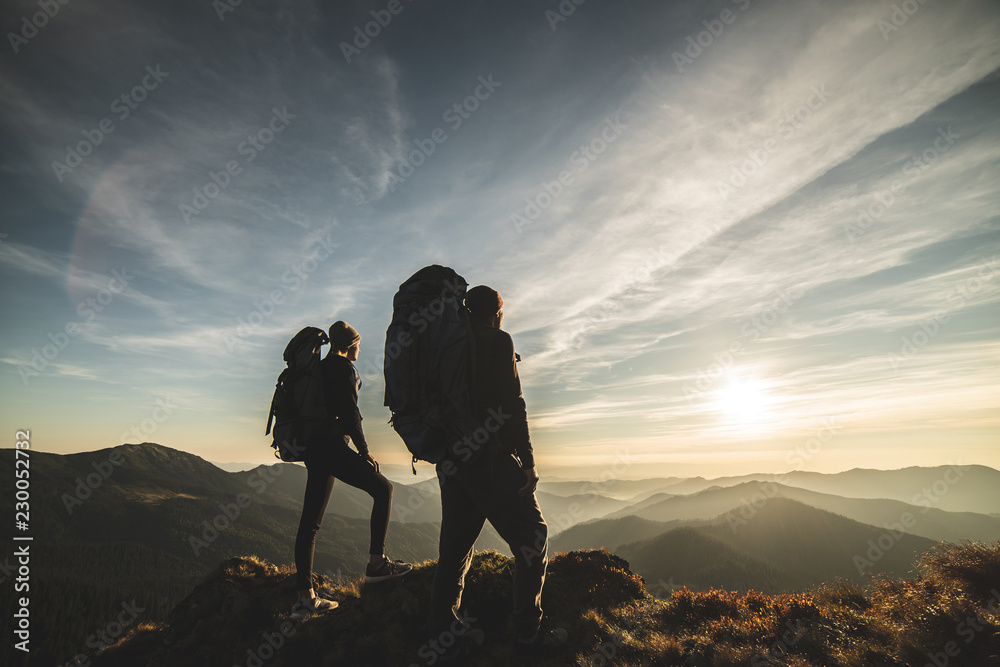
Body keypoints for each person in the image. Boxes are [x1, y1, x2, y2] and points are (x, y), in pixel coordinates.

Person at [429, 286, 567, 658]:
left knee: (455, 549)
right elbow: (512, 403)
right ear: (498, 312)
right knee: (534, 537)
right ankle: (527, 634)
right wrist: (528, 461)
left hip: (451, 461)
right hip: (488, 460)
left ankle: (443, 632)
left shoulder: (446, 346)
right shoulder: (498, 340)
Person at [291, 320, 412, 620]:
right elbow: (349, 414)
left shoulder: (318, 368)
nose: (361, 347)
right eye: (358, 343)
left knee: (311, 522)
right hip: (331, 448)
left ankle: (304, 597)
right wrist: (365, 451)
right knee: (384, 489)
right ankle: (377, 565)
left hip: (314, 449)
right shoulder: (342, 368)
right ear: (350, 344)